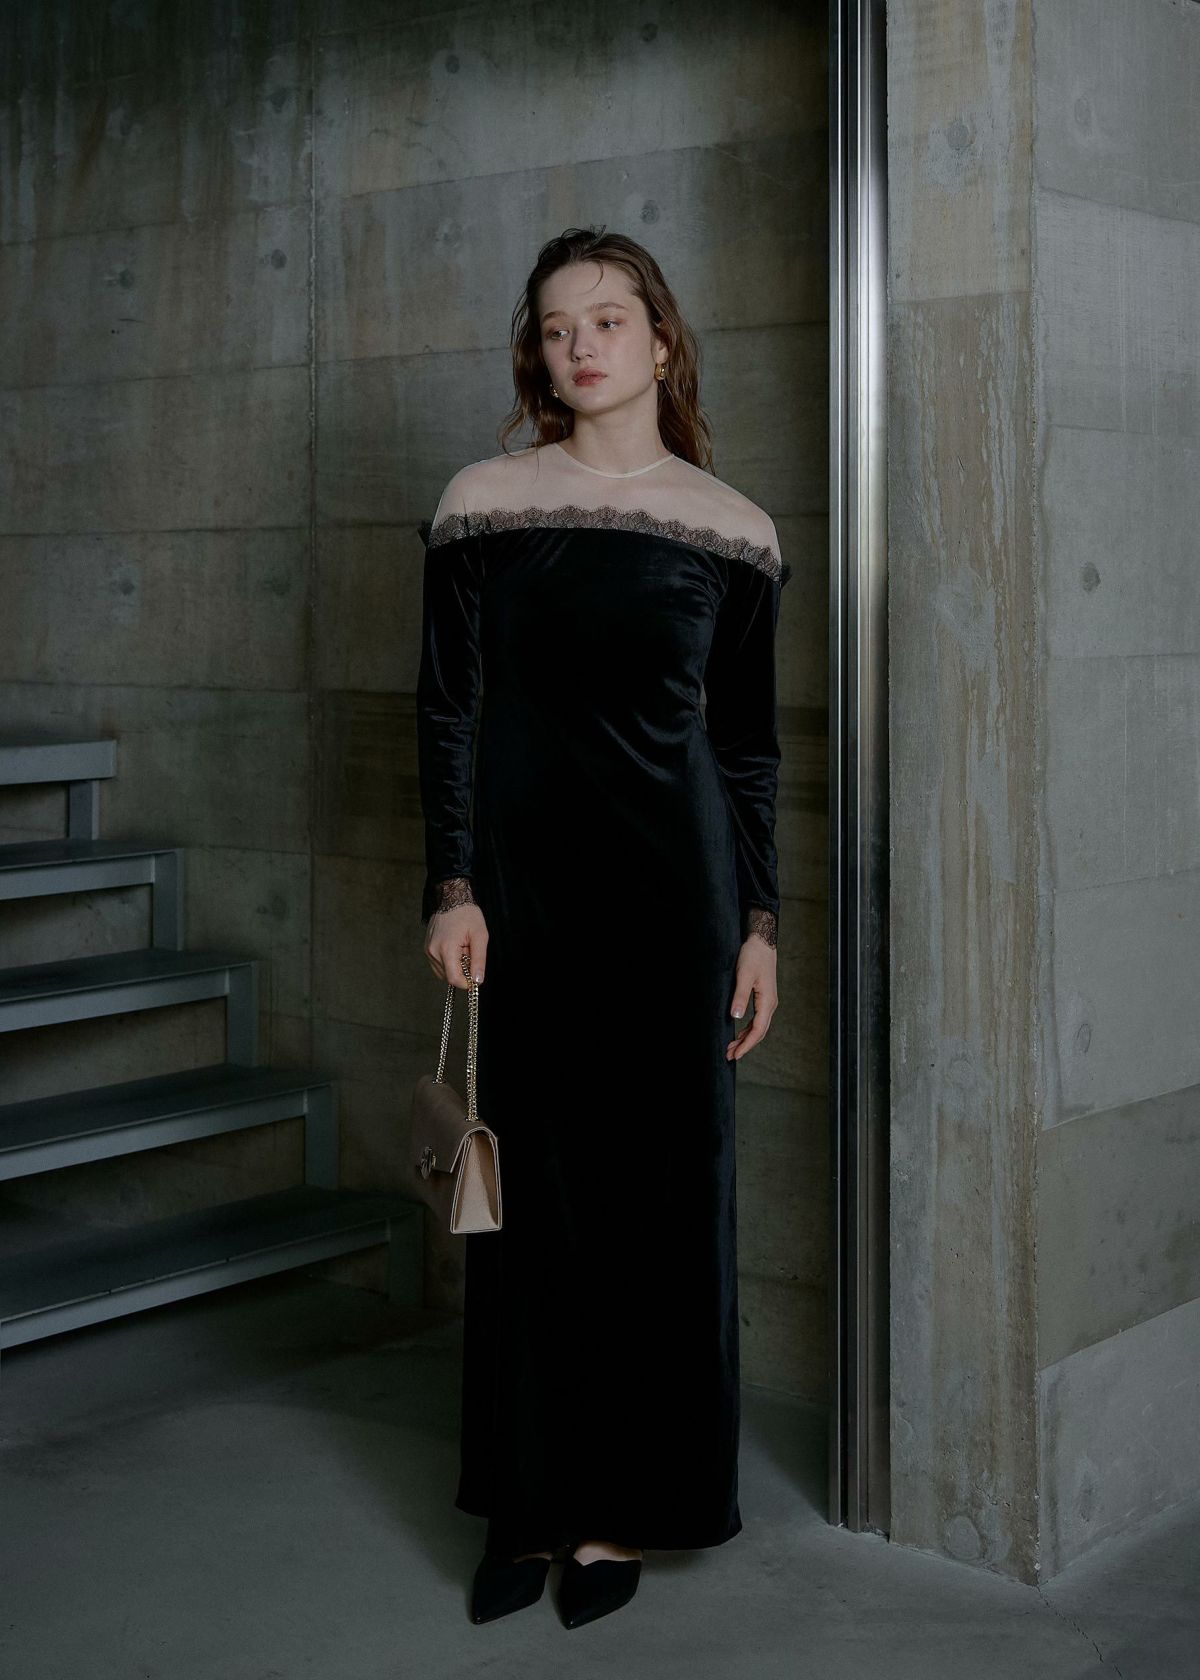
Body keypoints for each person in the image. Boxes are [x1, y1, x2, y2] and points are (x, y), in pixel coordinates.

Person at [416, 226, 790, 1630]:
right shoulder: (484, 502)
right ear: (538, 350)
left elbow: (746, 751)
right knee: (534, 1203)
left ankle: (620, 1513)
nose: (581, 345)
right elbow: (448, 709)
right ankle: (529, 1501)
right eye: (556, 325)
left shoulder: (734, 526)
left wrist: (761, 923)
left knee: (659, 1205)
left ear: (661, 339)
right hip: (524, 903)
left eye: (609, 319)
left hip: (678, 902)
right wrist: (453, 886)